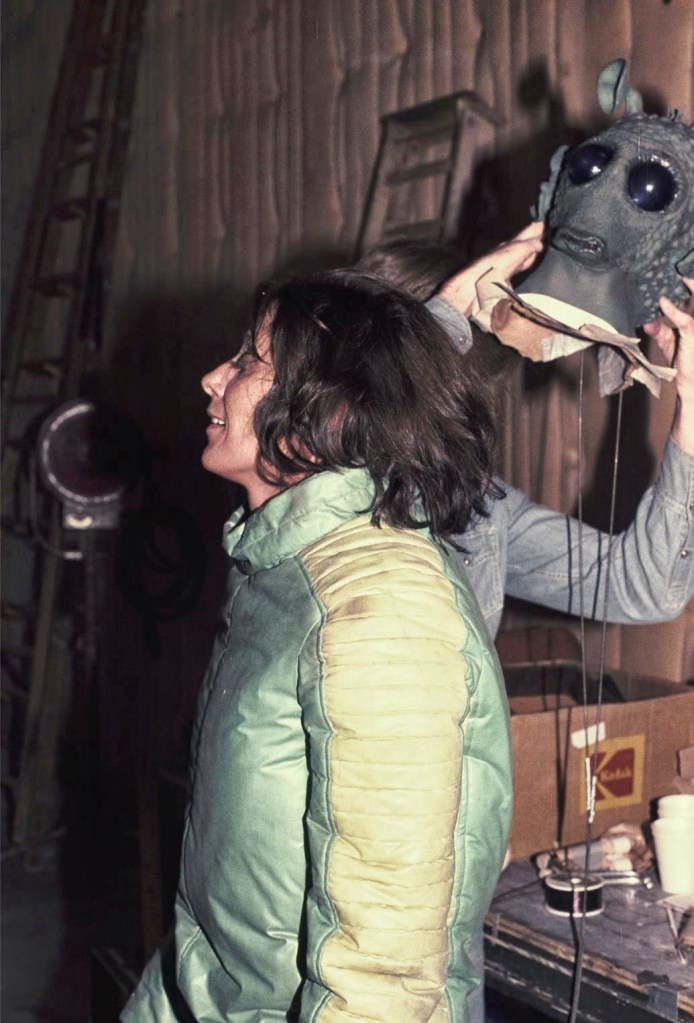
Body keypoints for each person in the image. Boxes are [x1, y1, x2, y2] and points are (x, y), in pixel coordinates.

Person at [121, 269, 515, 1022]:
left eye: (248, 360)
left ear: (329, 412)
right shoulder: (285, 566)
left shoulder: (382, 610)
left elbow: (383, 974)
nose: (213, 377)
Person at [358, 229, 694, 1023]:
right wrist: (442, 322)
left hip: (448, 881)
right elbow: (372, 473)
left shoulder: (479, 508)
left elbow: (644, 584)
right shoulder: (323, 484)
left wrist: (691, 416)